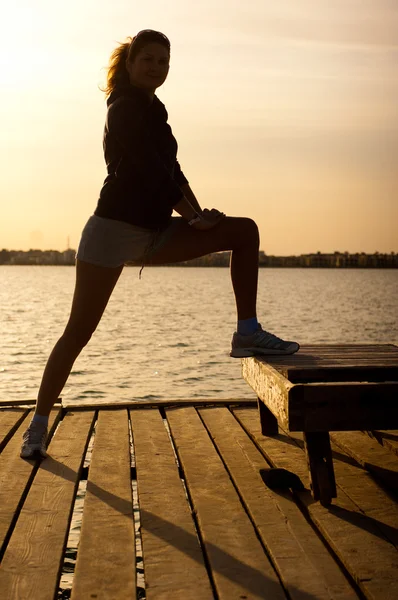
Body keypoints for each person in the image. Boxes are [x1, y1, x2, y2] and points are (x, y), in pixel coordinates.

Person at [20, 30, 299, 460]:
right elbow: (150, 172)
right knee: (77, 333)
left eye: (163, 61)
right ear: (130, 64)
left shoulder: (156, 108)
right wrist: (191, 217)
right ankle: (37, 428)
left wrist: (200, 216)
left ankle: (248, 333)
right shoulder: (123, 107)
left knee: (244, 231)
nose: (156, 67)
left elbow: (173, 170)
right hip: (111, 232)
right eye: (148, 59)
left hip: (155, 232)